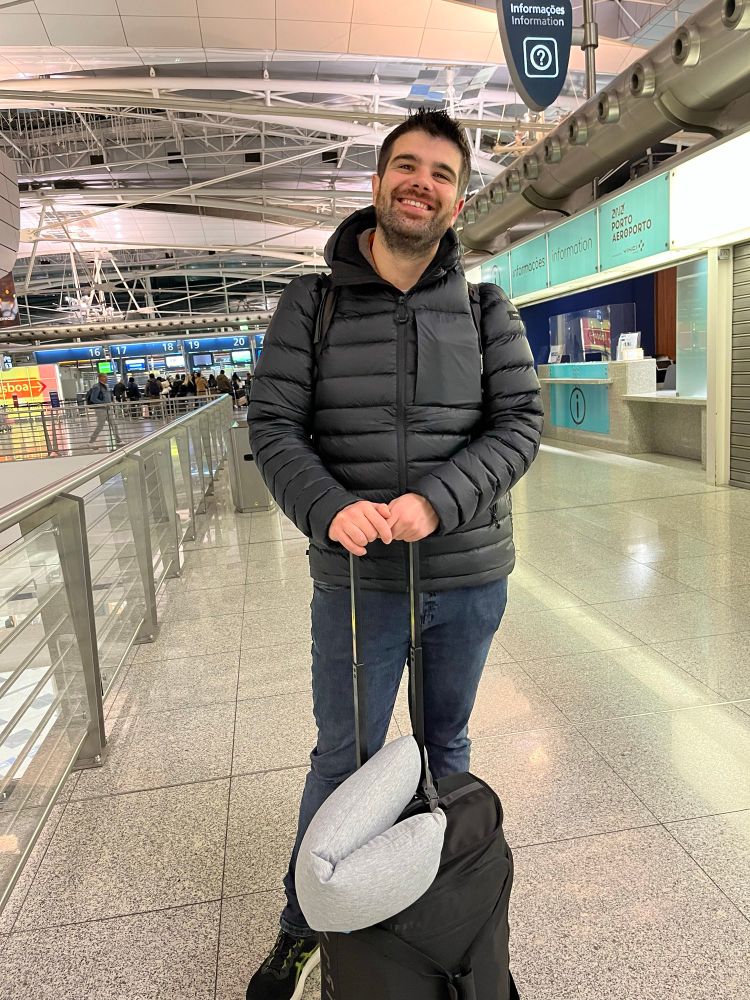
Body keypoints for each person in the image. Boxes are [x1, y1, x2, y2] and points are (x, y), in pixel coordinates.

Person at [246, 109, 543, 999]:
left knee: (443, 746)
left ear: (457, 201)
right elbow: (273, 426)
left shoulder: (487, 307)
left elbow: (520, 425)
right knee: (346, 759)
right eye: (405, 167)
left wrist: (436, 503)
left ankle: (444, 927)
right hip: (353, 583)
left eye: (442, 174)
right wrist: (330, 508)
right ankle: (306, 927)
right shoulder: (313, 302)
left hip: (467, 575)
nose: (422, 183)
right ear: (376, 186)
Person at [86, 373, 123, 447]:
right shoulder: (96, 387)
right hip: (101, 410)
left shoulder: (106, 386)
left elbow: (108, 396)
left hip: (108, 409)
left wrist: (112, 401)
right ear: (100, 378)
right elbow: (93, 398)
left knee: (114, 424)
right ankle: (91, 441)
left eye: (106, 377)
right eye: (105, 377)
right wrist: (103, 404)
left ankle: (118, 440)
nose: (106, 378)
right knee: (100, 426)